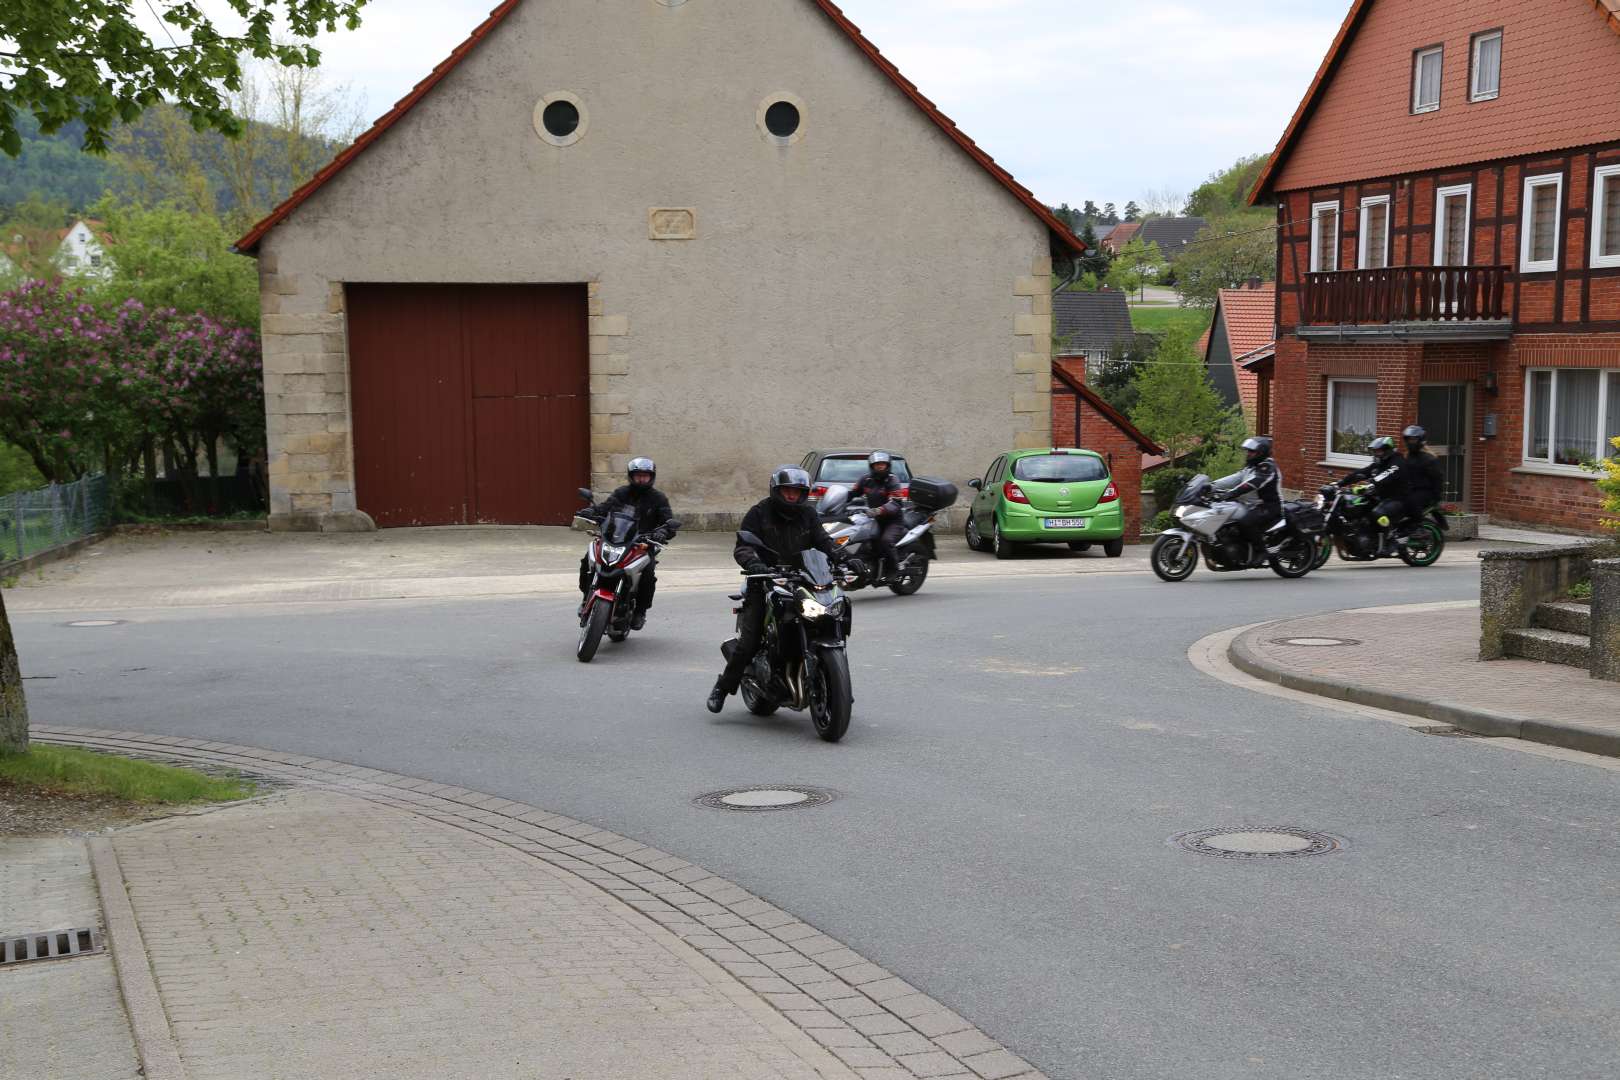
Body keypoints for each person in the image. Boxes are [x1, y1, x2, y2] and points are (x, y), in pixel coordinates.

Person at [707, 466, 843, 713]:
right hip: (765, 580)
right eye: (787, 491)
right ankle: (723, 688)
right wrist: (754, 562)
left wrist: (843, 557)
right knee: (749, 641)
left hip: (803, 579)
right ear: (777, 491)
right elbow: (743, 546)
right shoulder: (759, 513)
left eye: (797, 492)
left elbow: (823, 541)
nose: (792, 496)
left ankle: (837, 686)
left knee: (828, 616)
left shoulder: (808, 515)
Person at [578, 457, 677, 630]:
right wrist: (592, 511)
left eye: (645, 476)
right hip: (615, 539)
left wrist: (663, 532)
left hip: (642, 545)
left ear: (651, 477)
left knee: (648, 573)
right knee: (588, 559)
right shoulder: (621, 493)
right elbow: (605, 508)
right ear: (631, 476)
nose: (641, 479)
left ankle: (640, 611)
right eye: (638, 475)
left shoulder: (658, 499)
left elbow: (668, 521)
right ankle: (587, 596)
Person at [1215, 435, 1283, 563]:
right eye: (1248, 451)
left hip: (1268, 506)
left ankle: (1261, 551)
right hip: (1249, 504)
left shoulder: (1267, 467)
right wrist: (1211, 485)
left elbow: (1253, 483)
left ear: (1261, 452)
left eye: (1252, 452)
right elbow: (1236, 477)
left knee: (1245, 521)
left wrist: (1231, 493)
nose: (1248, 454)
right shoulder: (1252, 465)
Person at [1340, 436, 1410, 545]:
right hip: (1382, 497)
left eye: (1379, 451)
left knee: (1378, 512)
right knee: (1360, 506)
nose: (1376, 454)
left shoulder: (1397, 462)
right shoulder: (1379, 464)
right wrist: (1340, 483)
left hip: (1398, 498)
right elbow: (1361, 473)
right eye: (1375, 451)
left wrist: (1371, 484)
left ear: (1387, 450)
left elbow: (1386, 474)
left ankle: (1390, 538)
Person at [848, 451, 905, 578]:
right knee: (860, 540)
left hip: (892, 520)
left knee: (886, 541)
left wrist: (878, 510)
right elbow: (852, 493)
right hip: (874, 519)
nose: (879, 466)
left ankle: (893, 569)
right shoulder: (866, 479)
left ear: (887, 465)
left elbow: (895, 503)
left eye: (882, 464)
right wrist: (839, 500)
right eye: (877, 464)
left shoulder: (892, 480)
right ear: (871, 466)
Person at [1399, 425, 1444, 530]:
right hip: (1411, 490)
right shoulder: (1407, 456)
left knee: (1410, 501)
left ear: (1420, 440)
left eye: (1413, 440)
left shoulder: (1429, 459)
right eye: (1409, 439)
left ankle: (1418, 528)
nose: (1410, 442)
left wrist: (1436, 498)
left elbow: (1438, 479)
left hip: (1425, 492)